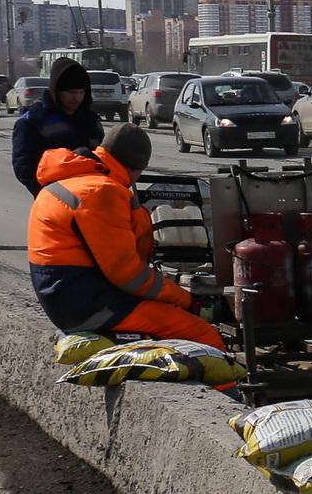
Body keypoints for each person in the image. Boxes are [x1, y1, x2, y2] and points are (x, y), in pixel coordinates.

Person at [27, 122, 226, 350]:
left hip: (66, 295)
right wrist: (186, 300)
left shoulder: (72, 178)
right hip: (88, 305)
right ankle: (227, 385)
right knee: (202, 334)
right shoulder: (102, 192)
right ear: (136, 168)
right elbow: (128, 275)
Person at [12, 57, 105, 195]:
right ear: (57, 91)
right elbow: (24, 166)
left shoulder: (91, 119)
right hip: (55, 200)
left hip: (93, 197)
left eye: (81, 92)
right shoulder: (33, 120)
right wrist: (49, 194)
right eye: (71, 93)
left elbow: (103, 156)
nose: (76, 98)